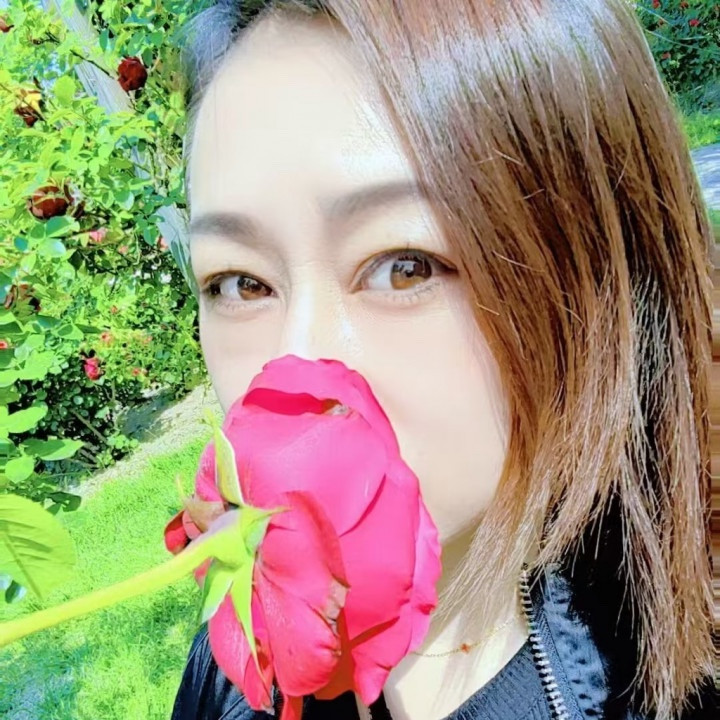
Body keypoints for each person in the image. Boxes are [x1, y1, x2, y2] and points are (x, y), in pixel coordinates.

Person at [168, 1, 716, 718]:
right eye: (241, 284)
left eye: (406, 267)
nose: (295, 367)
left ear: (600, 271)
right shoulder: (237, 666)